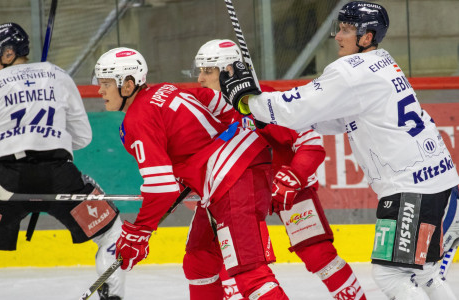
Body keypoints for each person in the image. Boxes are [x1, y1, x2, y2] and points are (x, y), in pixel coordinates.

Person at [219, 2, 459, 300]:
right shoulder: (382, 61)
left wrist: (247, 101)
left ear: (367, 37)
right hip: (441, 183)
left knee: (390, 275)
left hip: (411, 190)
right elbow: (333, 119)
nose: (337, 36)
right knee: (425, 273)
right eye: (339, 28)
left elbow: (295, 108)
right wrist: (263, 112)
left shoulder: (349, 71)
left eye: (346, 29)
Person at [93, 47, 289, 299]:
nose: (100, 91)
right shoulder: (166, 89)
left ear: (128, 85)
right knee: (199, 260)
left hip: (233, 178)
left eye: (106, 84)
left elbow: (161, 188)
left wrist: (139, 233)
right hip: (234, 173)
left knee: (250, 273)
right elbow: (218, 102)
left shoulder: (138, 119)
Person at [190, 39, 367, 300]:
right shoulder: (203, 112)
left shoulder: (264, 100)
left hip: (286, 187)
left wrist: (293, 178)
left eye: (208, 71)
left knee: (318, 254)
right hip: (238, 195)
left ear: (229, 71)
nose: (201, 79)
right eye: (200, 71)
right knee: (224, 264)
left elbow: (311, 143)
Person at [0, 23, 125, 300]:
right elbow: (82, 136)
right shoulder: (58, 76)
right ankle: (113, 296)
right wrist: (51, 142)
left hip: (6, 181)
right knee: (112, 233)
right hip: (60, 175)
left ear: (9, 52)